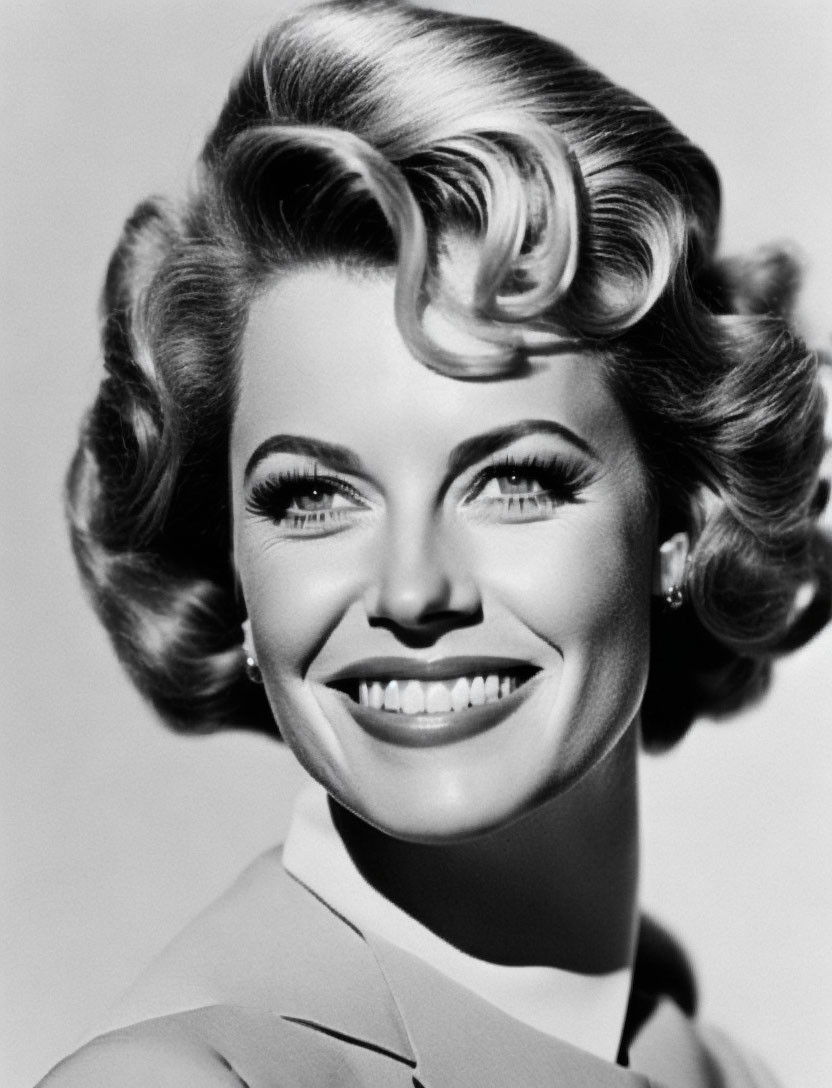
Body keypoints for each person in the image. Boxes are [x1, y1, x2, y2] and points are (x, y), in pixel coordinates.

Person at [38, 0, 830, 1084]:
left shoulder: (722, 1067)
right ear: (227, 557)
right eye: (312, 496)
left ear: (684, 519)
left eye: (513, 478)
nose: (412, 588)